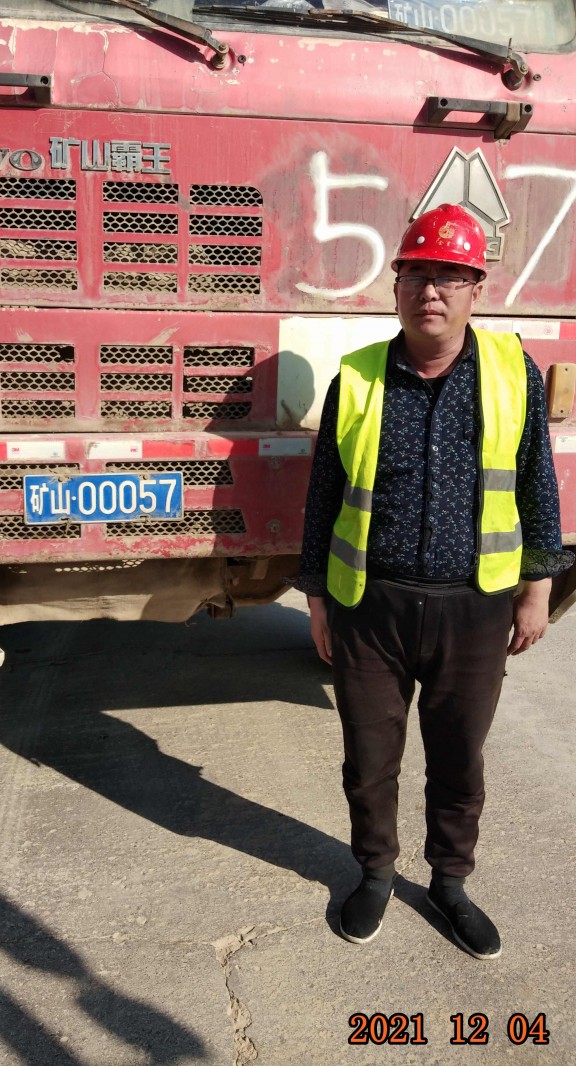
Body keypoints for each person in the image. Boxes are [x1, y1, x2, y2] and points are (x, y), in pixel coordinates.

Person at [296, 204, 573, 961]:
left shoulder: (512, 374)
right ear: (396, 287)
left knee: (459, 761)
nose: (432, 292)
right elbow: (324, 494)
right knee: (369, 760)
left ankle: (450, 883)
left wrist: (538, 588)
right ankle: (375, 874)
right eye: (418, 275)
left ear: (476, 290)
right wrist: (317, 597)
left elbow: (537, 485)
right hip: (370, 606)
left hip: (473, 607)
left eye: (450, 277)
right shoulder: (358, 377)